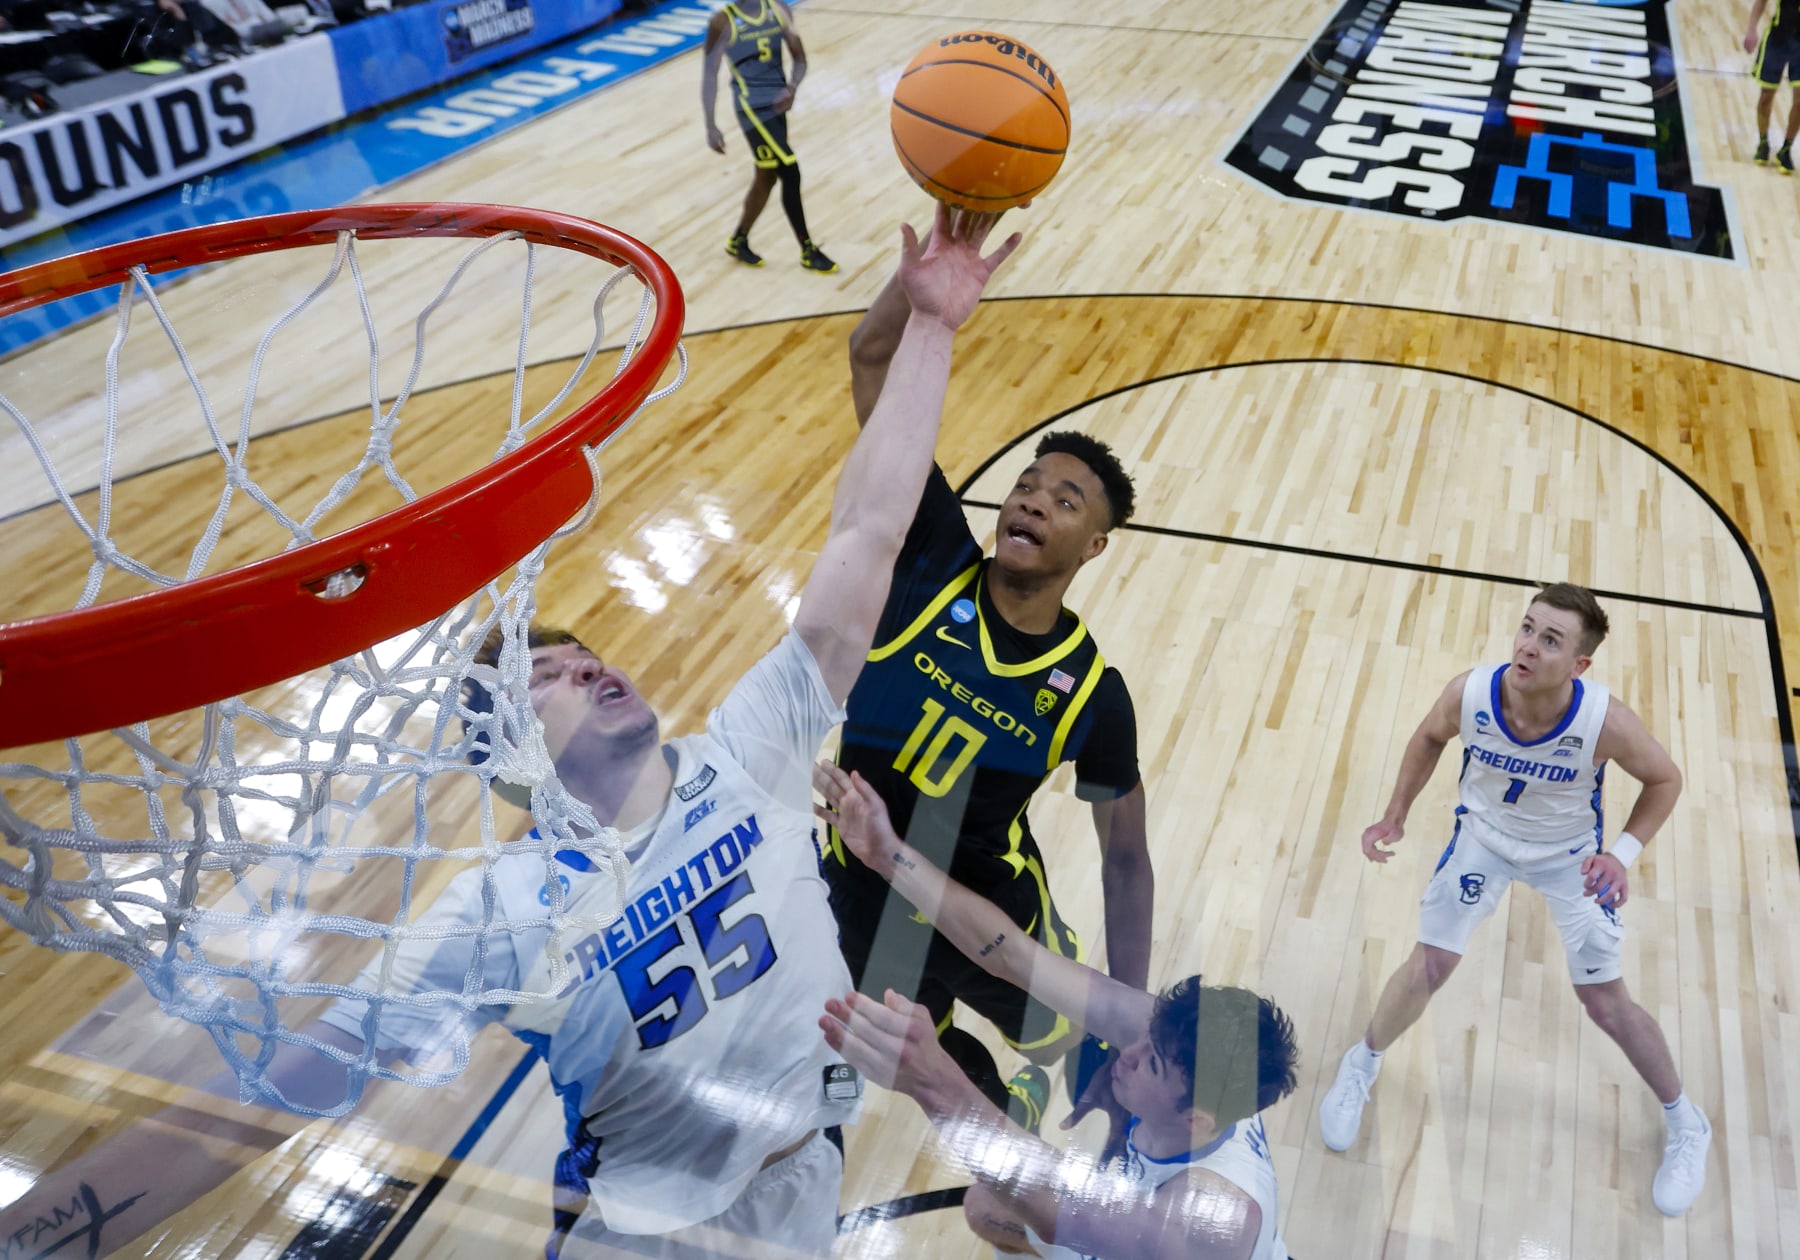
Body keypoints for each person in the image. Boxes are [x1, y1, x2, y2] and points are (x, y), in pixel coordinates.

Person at [0, 205, 1019, 1260]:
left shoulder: (751, 751)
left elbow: (869, 529)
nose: (583, 664)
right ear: (510, 753)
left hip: (806, 1188)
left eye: (580, 656)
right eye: (544, 678)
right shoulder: (498, 911)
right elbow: (237, 1119)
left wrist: (935, 321)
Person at [824, 249, 1153, 1128]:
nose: (1036, 501)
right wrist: (922, 291)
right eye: (1028, 485)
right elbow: (868, 357)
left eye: (1068, 500)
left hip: (999, 919)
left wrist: (1131, 1015)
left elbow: (1126, 860)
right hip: (863, 891)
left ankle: (1042, 1073)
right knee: (913, 1051)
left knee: (1058, 1040)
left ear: (1094, 546)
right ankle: (1004, 1094)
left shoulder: (1091, 693)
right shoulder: (929, 558)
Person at [1317, 583, 1710, 1217]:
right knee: (1431, 964)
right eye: (1527, 628)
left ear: (1580, 664)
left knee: (1605, 1003)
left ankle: (1687, 1123)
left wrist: (1622, 855)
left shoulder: (1602, 719)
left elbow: (1666, 779)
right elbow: (1426, 738)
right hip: (1484, 837)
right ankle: (1361, 1063)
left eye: (1550, 639)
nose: (1527, 646)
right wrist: (1395, 814)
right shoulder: (1471, 692)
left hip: (1569, 857)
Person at [815, 759, 1297, 1259]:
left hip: (1137, 1240)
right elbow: (1014, 955)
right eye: (1144, 1042)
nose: (1125, 1054)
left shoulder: (1216, 1218)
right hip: (1121, 1219)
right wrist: (888, 855)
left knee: (1012, 1201)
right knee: (986, 1206)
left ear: (1197, 1120)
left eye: (1150, 1064)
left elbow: (1060, 1211)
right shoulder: (1199, 1061)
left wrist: (931, 1078)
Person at [700, 0, 836, 272]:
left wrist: (792, 88)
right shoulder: (722, 22)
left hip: (777, 106)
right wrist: (711, 125)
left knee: (767, 175)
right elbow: (710, 75)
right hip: (751, 109)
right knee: (790, 169)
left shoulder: (778, 10)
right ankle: (808, 249)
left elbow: (800, 58)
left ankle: (738, 239)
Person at [1746, 0, 1800, 172]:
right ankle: (1763, 143)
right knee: (1766, 96)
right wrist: (1751, 29)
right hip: (1778, 38)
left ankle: (1786, 150)